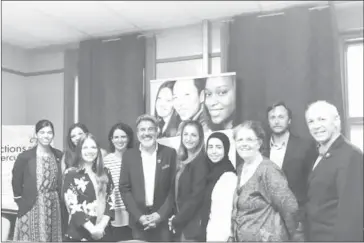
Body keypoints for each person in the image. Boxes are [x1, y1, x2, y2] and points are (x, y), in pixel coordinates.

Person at [230, 121, 302, 242]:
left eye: (249, 139)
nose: (244, 144)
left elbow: (290, 208)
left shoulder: (268, 170)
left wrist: (294, 238)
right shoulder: (240, 169)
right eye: (240, 140)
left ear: (259, 143)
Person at [304, 100, 363, 241]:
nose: (316, 126)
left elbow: (350, 212)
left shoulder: (351, 155)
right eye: (311, 122)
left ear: (336, 121)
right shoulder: (320, 153)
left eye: (322, 119)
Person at [119, 114, 176, 241]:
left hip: (163, 221)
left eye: (150, 129)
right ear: (138, 133)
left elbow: (174, 188)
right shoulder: (129, 156)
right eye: (142, 130)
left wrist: (160, 215)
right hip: (139, 222)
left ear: (157, 131)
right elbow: (124, 189)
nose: (146, 133)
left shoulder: (169, 153)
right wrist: (139, 216)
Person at [264, 101, 316, 233]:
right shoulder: (260, 148)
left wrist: (303, 214)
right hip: (267, 218)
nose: (276, 121)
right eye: (272, 117)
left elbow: (313, 183)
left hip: (297, 218)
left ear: (289, 120)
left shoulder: (305, 147)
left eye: (281, 117)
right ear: (268, 121)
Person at [12, 119, 63, 242]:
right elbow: (16, 180)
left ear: (53, 135)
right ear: (36, 135)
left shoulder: (59, 155)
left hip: (53, 205)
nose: (46, 135)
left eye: (49, 132)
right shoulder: (25, 156)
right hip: (31, 204)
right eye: (42, 132)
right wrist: (21, 201)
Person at [62, 133, 115, 242]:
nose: (89, 151)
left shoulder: (105, 172)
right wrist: (93, 230)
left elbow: (111, 201)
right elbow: (73, 206)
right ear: (79, 151)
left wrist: (101, 227)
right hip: (79, 234)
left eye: (93, 147)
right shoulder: (71, 173)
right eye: (85, 147)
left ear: (98, 150)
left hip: (104, 232)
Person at [168, 120, 208, 241]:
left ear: (200, 138)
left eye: (193, 135)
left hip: (192, 227)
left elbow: (195, 198)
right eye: (185, 134)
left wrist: (177, 220)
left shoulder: (201, 162)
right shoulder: (182, 160)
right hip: (181, 224)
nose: (189, 139)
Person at [200, 132, 237, 241]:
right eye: (210, 147)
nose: (214, 151)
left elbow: (225, 215)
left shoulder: (228, 176)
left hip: (219, 235)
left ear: (226, 149)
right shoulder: (209, 171)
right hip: (208, 231)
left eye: (218, 147)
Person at [103, 122, 134, 241]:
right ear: (111, 139)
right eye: (116, 137)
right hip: (114, 214)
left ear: (129, 138)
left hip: (133, 213)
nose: (119, 140)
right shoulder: (106, 161)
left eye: (123, 136)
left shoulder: (136, 158)